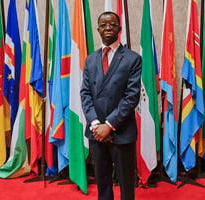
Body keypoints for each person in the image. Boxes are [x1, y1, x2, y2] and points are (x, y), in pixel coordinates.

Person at [80, 11, 142, 200]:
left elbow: (131, 97)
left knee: (126, 184)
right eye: (104, 25)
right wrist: (96, 124)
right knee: (102, 183)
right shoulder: (90, 59)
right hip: (96, 132)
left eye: (113, 24)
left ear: (119, 29)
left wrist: (109, 125)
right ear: (98, 29)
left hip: (121, 132)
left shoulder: (132, 58)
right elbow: (85, 94)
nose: (108, 28)